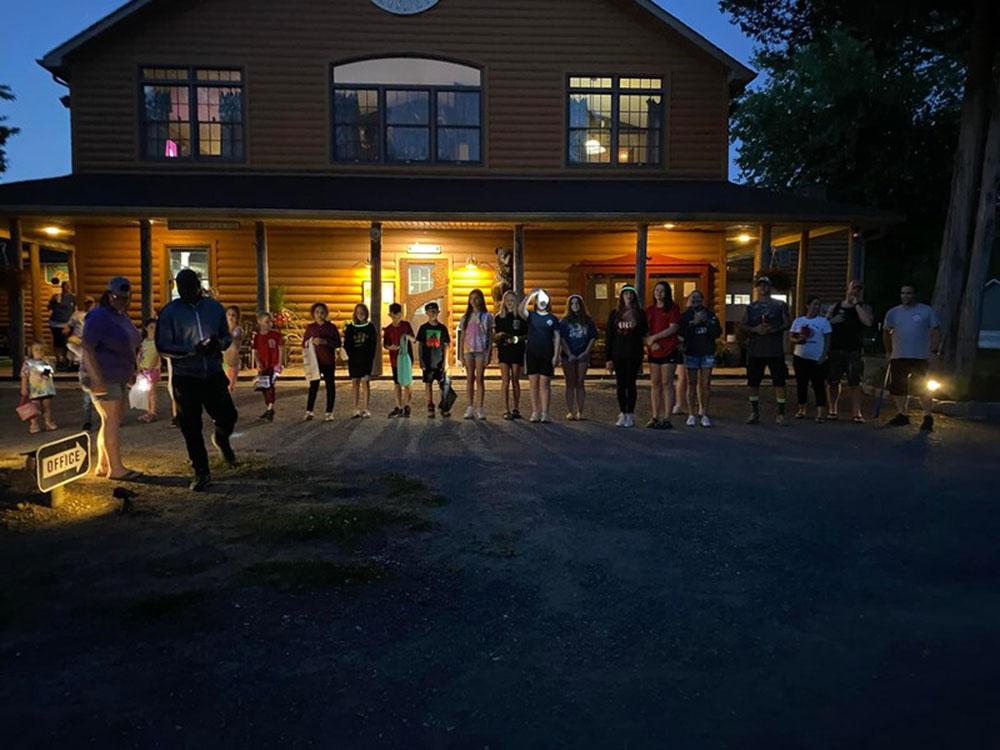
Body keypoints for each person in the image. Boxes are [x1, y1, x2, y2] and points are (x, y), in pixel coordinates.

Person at [156, 268, 238, 491]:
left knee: (228, 415)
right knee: (191, 427)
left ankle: (221, 439)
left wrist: (218, 345)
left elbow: (225, 337)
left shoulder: (213, 308)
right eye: (182, 288)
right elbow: (162, 345)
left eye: (191, 287)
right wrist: (189, 351)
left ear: (199, 285)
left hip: (212, 373)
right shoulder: (169, 313)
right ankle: (201, 471)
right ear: (177, 288)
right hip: (186, 377)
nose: (187, 292)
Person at [81, 276, 142, 481]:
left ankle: (103, 463)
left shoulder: (121, 316)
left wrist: (132, 370)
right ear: (108, 295)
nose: (121, 301)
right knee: (112, 420)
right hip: (105, 375)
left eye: (125, 298)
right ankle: (116, 468)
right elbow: (87, 348)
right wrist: (96, 378)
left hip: (119, 374)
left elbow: (130, 344)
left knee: (109, 420)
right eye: (117, 297)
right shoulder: (98, 316)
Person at [883, 284, 941, 431]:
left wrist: (934, 351)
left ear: (914, 295)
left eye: (909, 293)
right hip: (899, 355)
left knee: (921, 387)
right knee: (898, 387)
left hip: (919, 356)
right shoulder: (893, 313)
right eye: (903, 293)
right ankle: (902, 414)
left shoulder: (926, 311)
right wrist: (888, 351)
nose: (905, 296)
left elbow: (935, 331)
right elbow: (886, 332)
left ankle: (928, 416)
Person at [740, 275, 791, 425]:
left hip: (775, 350)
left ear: (770, 287)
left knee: (779, 382)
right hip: (756, 350)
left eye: (766, 285)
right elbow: (743, 325)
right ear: (757, 288)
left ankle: (781, 414)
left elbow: (787, 323)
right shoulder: (751, 307)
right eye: (760, 285)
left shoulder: (780, 305)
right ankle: (754, 412)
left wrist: (774, 329)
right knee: (753, 383)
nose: (763, 288)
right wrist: (755, 329)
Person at [826, 280, 874, 422]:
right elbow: (824, 323)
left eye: (858, 289)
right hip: (835, 349)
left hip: (854, 350)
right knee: (833, 381)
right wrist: (833, 321)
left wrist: (857, 305)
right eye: (853, 288)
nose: (855, 291)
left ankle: (856, 412)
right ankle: (832, 409)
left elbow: (868, 322)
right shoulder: (835, 306)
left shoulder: (864, 307)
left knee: (855, 382)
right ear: (848, 289)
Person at [605, 285, 648, 428]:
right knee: (620, 385)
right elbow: (609, 336)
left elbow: (644, 333)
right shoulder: (614, 313)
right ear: (621, 296)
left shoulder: (640, 314)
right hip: (618, 354)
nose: (628, 296)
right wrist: (608, 358)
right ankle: (622, 412)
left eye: (631, 294)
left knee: (631, 384)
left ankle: (630, 413)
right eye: (626, 294)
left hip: (634, 353)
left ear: (634, 296)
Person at [678, 290, 721, 427]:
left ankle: (704, 413)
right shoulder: (686, 316)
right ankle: (691, 414)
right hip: (691, 352)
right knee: (691, 383)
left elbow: (718, 332)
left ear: (703, 299)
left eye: (698, 298)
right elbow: (682, 334)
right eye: (693, 298)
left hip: (707, 352)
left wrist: (707, 323)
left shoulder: (710, 314)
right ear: (690, 299)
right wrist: (693, 323)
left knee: (705, 384)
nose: (696, 301)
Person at [518, 289, 560, 423]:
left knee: (545, 384)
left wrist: (556, 355)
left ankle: (545, 412)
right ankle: (535, 411)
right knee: (533, 384)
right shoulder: (531, 315)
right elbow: (520, 310)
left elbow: (557, 337)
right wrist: (530, 295)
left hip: (546, 354)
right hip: (532, 353)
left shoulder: (552, 318)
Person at [644, 281, 682, 429]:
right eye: (657, 290)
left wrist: (655, 337)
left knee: (667, 383)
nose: (659, 293)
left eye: (662, 290)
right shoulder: (650, 310)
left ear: (667, 293)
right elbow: (646, 330)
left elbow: (673, 328)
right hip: (654, 351)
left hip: (669, 349)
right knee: (655, 384)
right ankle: (654, 416)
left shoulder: (673, 308)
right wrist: (650, 341)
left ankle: (667, 417)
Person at [790, 296, 832, 422]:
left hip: (817, 358)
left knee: (818, 384)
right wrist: (798, 340)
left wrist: (824, 356)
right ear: (807, 306)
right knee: (801, 384)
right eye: (814, 304)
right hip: (800, 356)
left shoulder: (823, 322)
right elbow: (791, 337)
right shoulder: (798, 321)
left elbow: (827, 340)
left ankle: (820, 412)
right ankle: (801, 408)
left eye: (818, 304)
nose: (816, 307)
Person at [456, 289, 493, 420]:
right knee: (470, 378)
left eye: (476, 298)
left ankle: (480, 408)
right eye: (471, 298)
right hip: (468, 350)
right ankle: (470, 406)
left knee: (480, 378)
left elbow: (490, 335)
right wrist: (460, 354)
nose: (473, 301)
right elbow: (462, 336)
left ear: (481, 300)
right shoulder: (466, 317)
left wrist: (489, 353)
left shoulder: (487, 316)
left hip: (481, 350)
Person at [559, 294, 597, 420]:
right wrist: (569, 353)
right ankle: (570, 411)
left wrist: (586, 352)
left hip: (583, 355)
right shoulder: (564, 321)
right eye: (572, 303)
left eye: (577, 303)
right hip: (568, 355)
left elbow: (592, 337)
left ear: (581, 305)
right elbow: (562, 338)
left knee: (580, 382)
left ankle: (581, 411)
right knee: (569, 383)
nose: (574, 306)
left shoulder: (588, 320)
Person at [302, 302, 341, 421]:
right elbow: (304, 343)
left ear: (326, 314)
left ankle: (329, 412)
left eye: (322, 312)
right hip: (315, 361)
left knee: (330, 386)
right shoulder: (310, 328)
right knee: (313, 386)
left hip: (328, 360)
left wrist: (325, 342)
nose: (319, 315)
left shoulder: (331, 327)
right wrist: (311, 341)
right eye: (317, 312)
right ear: (313, 314)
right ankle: (309, 411)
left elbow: (338, 343)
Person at [415, 301, 451, 418]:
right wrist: (421, 360)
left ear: (438, 312)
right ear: (427, 313)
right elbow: (420, 345)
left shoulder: (442, 328)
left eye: (435, 311)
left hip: (439, 361)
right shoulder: (423, 328)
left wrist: (445, 361)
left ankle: (444, 406)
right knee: (428, 383)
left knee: (443, 385)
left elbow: (446, 345)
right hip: (428, 361)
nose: (433, 313)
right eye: (430, 311)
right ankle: (430, 405)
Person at [494, 290, 526, 420]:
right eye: (507, 301)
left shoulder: (521, 317)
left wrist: (517, 339)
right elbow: (494, 336)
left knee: (515, 380)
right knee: (505, 380)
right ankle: (505, 409)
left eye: (512, 301)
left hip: (517, 349)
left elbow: (526, 334)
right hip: (504, 350)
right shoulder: (499, 317)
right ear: (504, 302)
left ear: (516, 302)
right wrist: (500, 337)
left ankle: (516, 408)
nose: (510, 303)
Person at [66, 296, 96, 430]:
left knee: (103, 399)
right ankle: (87, 421)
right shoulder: (83, 350)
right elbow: (70, 343)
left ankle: (108, 419)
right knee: (87, 401)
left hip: (100, 376)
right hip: (87, 378)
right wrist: (80, 340)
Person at [344, 303, 376, 418]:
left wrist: (370, 358)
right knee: (355, 383)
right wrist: (351, 356)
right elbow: (347, 344)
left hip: (366, 360)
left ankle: (366, 408)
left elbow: (373, 345)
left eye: (362, 313)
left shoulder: (370, 327)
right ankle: (355, 408)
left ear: (366, 313)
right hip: (354, 360)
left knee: (365, 383)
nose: (360, 315)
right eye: (358, 313)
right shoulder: (350, 327)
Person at [384, 302, 416, 418]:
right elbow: (385, 345)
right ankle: (398, 406)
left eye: (398, 316)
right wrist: (390, 347)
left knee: (407, 382)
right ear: (390, 315)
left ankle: (407, 405)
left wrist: (407, 337)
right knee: (397, 383)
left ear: (401, 315)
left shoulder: (406, 326)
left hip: (406, 359)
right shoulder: (388, 329)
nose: (396, 318)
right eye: (393, 316)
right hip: (395, 360)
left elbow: (414, 339)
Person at [20, 342, 58, 433]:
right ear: (31, 351)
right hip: (35, 390)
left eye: (41, 350)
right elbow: (24, 376)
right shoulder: (28, 363)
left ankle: (48, 422)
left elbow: (51, 371)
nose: (39, 352)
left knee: (47, 406)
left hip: (46, 389)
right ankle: (34, 424)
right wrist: (24, 388)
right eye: (36, 350)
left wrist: (49, 363)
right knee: (35, 408)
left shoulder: (47, 362)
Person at [252, 311, 283, 421]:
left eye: (270, 322)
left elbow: (280, 348)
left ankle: (270, 408)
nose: (268, 324)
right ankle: (269, 407)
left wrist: (279, 363)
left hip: (272, 364)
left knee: (270, 386)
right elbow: (255, 351)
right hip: (263, 364)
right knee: (264, 386)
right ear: (259, 322)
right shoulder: (257, 337)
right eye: (266, 322)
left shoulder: (275, 335)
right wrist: (257, 363)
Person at [136, 317, 161, 423]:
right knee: (146, 392)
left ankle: (153, 412)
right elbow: (140, 354)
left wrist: (152, 365)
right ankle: (148, 411)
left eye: (155, 327)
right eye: (151, 327)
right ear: (146, 328)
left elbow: (157, 356)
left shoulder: (158, 342)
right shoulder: (144, 341)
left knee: (151, 391)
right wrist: (138, 366)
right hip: (143, 368)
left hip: (153, 369)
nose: (153, 329)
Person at [47, 280, 76, 369]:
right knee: (57, 342)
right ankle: (58, 359)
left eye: (69, 285)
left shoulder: (73, 297)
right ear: (62, 287)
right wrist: (55, 301)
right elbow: (49, 308)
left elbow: (75, 309)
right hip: (56, 323)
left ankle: (65, 359)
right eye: (65, 285)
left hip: (67, 324)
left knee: (66, 343)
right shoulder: (57, 296)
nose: (67, 287)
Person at [223, 305, 244, 393]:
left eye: (233, 315)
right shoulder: (222, 329)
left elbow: (234, 337)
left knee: (229, 386)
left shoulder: (238, 329)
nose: (230, 317)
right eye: (229, 315)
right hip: (223, 360)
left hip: (233, 361)